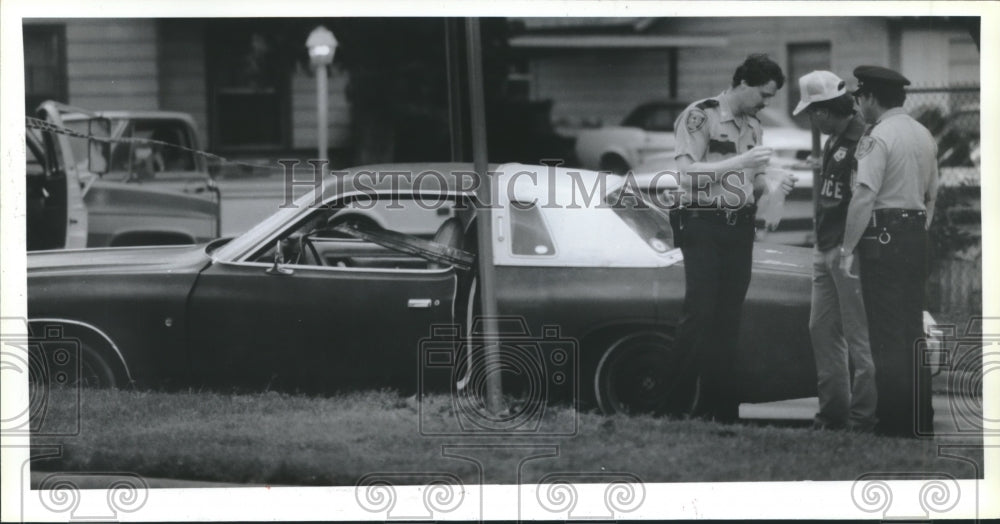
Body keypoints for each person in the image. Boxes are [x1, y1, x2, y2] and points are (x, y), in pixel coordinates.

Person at [670, 54, 796, 422]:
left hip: (738, 225)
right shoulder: (701, 115)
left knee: (729, 317)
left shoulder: (753, 126)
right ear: (743, 84)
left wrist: (773, 188)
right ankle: (673, 406)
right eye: (764, 94)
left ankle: (719, 408)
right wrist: (739, 163)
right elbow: (687, 174)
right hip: (703, 222)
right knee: (700, 313)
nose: (766, 103)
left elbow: (751, 180)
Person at [840, 65, 939, 438]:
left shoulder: (876, 137)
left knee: (885, 334)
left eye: (859, 98)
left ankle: (895, 424)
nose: (859, 106)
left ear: (869, 97)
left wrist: (847, 247)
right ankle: (919, 421)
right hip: (916, 235)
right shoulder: (923, 134)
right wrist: (916, 232)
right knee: (912, 330)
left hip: (883, 238)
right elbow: (931, 196)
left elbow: (864, 194)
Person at [792, 70, 877, 432]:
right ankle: (832, 415)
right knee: (822, 329)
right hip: (824, 245)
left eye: (812, 113)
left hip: (847, 249)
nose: (812, 121)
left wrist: (849, 247)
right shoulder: (834, 140)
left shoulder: (864, 139)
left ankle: (862, 419)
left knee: (859, 337)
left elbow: (863, 197)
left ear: (824, 111)